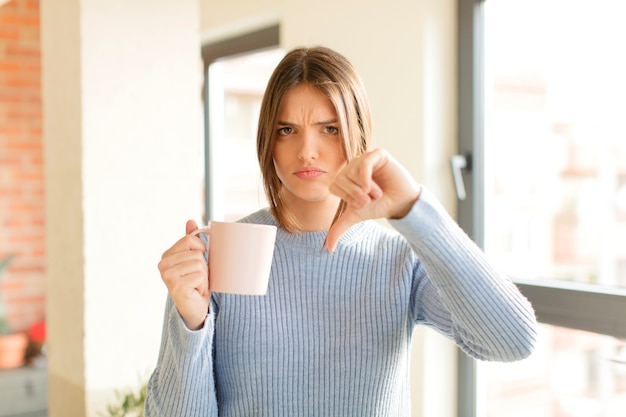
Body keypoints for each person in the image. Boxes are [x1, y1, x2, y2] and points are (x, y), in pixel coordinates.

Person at [145, 46, 537, 417]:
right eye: (286, 130)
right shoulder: (218, 255)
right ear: (267, 141)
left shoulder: (398, 259)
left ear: (357, 132)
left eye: (329, 129)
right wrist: (191, 324)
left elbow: (514, 341)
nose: (307, 150)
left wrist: (413, 207)